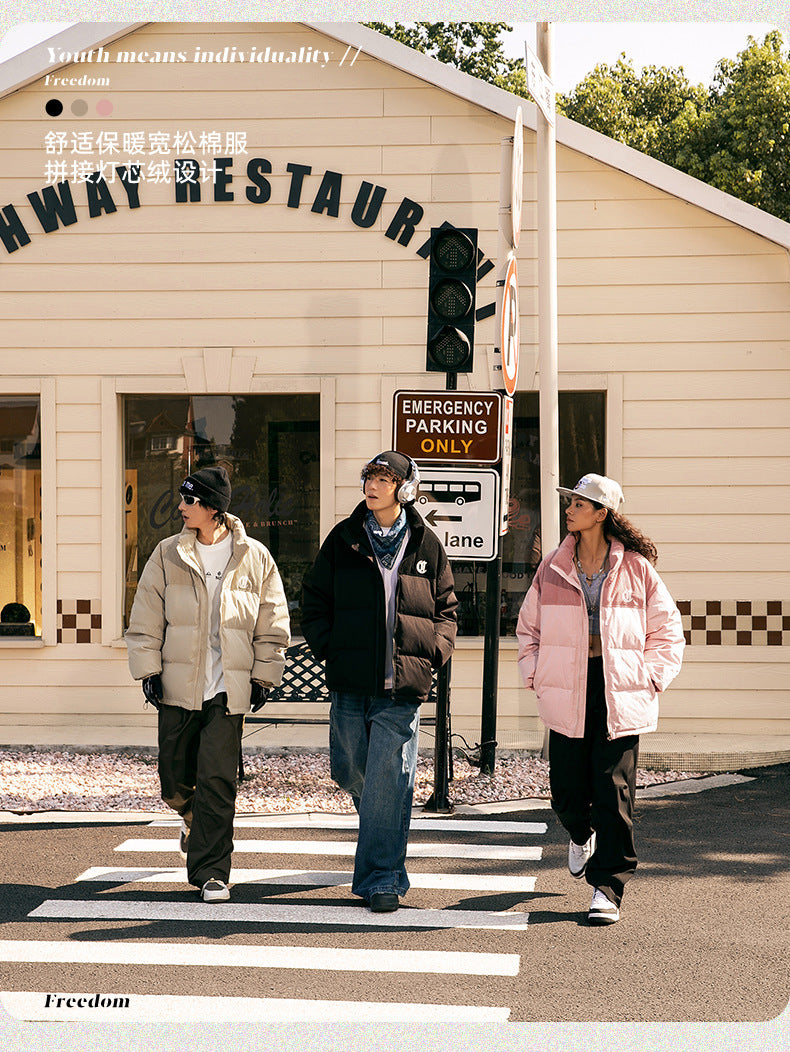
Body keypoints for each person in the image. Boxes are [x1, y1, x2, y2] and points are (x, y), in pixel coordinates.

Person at [516, 473, 684, 925]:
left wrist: (650, 677)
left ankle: (608, 886)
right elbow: (528, 627)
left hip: (621, 690)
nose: (569, 509)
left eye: (578, 504)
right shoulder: (552, 564)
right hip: (566, 687)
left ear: (601, 514)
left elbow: (668, 631)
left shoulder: (636, 569)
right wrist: (534, 673)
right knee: (567, 791)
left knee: (613, 791)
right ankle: (578, 831)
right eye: (569, 502)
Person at [125, 465, 290, 903]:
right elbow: (144, 618)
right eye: (182, 498)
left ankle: (212, 872)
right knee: (173, 780)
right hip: (179, 685)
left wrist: (263, 676)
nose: (181, 506)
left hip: (226, 690)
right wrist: (148, 671)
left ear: (213, 509)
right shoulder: (167, 554)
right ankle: (192, 819)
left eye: (190, 500)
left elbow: (272, 623)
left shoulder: (254, 557)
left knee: (217, 779)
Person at [301, 451, 457, 913]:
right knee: (351, 771)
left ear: (404, 488)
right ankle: (379, 822)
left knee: (390, 782)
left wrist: (434, 654)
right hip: (350, 681)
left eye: (384, 478)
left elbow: (446, 609)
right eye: (370, 476)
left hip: (402, 688)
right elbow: (314, 598)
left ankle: (382, 878)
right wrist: (331, 647)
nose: (373, 485)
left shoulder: (425, 544)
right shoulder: (344, 538)